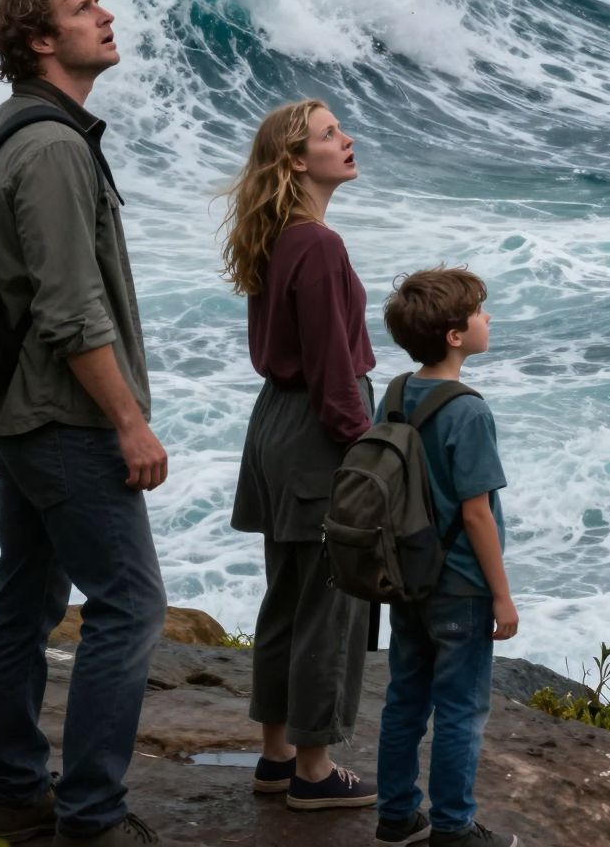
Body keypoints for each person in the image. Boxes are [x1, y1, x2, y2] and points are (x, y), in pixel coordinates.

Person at [0, 0, 167, 847]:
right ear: (42, 41)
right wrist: (128, 421)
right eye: (86, 9)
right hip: (65, 421)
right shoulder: (50, 146)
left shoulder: (11, 128)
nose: (106, 16)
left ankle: (16, 793)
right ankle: (91, 816)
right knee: (129, 607)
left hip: (23, 414)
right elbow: (68, 308)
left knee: (24, 601)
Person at [224, 99, 379, 810]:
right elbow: (331, 371)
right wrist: (370, 453)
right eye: (328, 135)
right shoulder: (318, 245)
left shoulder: (282, 236)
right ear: (295, 160)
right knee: (329, 603)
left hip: (276, 428)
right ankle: (315, 773)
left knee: (287, 595)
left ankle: (276, 755)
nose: (346, 140)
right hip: (318, 431)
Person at [373, 268, 520, 847]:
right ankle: (454, 829)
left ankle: (395, 816)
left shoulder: (394, 394)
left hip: (408, 576)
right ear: (456, 336)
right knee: (460, 710)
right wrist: (502, 595)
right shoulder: (469, 411)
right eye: (480, 312)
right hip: (460, 582)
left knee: (405, 698)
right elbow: (477, 513)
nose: (488, 319)